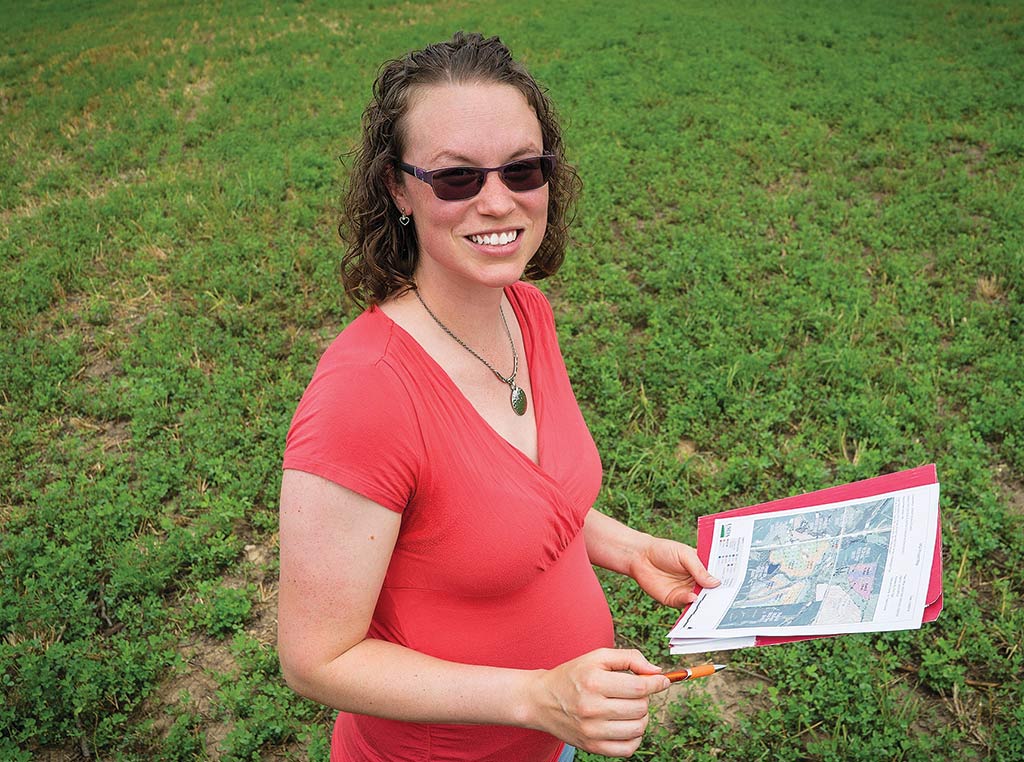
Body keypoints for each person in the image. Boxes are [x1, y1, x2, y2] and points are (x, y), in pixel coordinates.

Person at [277, 31, 720, 762]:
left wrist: (630, 548)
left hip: (555, 739)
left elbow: (517, 507)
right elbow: (316, 659)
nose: (497, 201)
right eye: (456, 178)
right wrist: (534, 696)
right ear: (396, 186)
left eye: (523, 169)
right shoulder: (365, 397)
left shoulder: (525, 313)